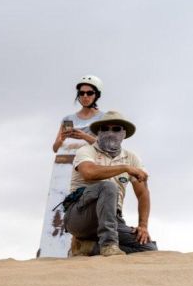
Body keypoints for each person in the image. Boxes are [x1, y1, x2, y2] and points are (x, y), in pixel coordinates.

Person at [62, 110, 157, 256]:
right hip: (80, 214)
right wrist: (124, 168)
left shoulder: (132, 158)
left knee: (147, 248)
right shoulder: (86, 151)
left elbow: (143, 193)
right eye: (105, 128)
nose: (110, 132)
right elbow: (89, 173)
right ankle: (108, 245)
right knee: (107, 187)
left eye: (116, 129)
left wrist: (143, 225)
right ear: (98, 133)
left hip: (112, 218)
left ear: (123, 134)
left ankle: (88, 247)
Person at [51, 75, 104, 154]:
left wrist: (84, 136)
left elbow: (106, 148)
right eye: (81, 93)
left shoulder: (104, 118)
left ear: (97, 95)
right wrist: (62, 138)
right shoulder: (68, 119)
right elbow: (55, 149)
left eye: (89, 93)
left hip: (90, 163)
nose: (85, 96)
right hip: (65, 163)